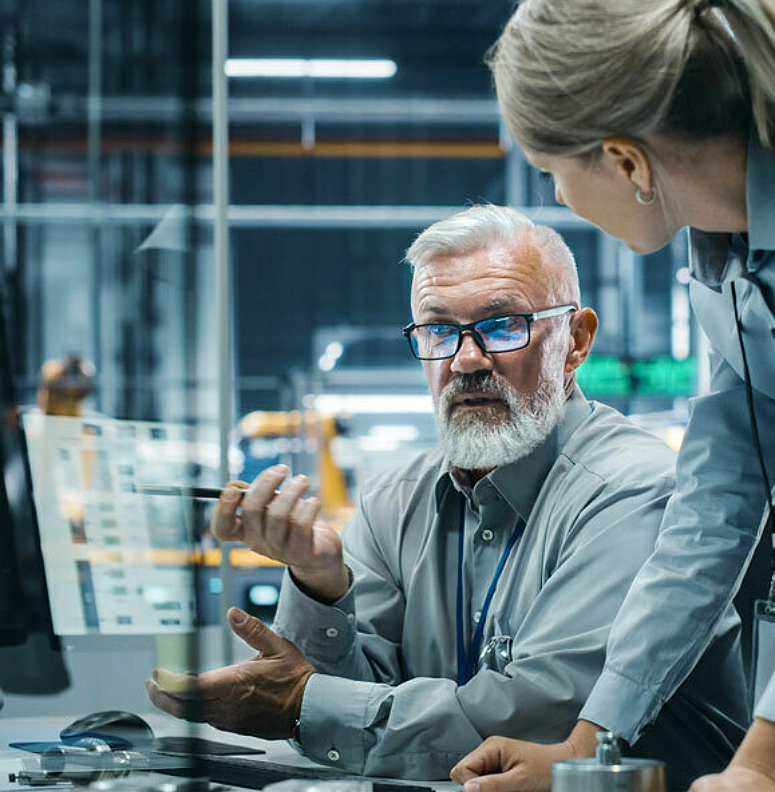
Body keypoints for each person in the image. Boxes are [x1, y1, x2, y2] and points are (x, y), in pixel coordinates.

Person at [146, 205, 747, 788]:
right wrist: (319, 584)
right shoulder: (394, 499)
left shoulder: (630, 491)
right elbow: (351, 699)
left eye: (502, 325)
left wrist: (298, 704)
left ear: (576, 341)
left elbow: (531, 723)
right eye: (438, 330)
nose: (465, 359)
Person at [449, 2, 775, 791]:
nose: (557, 199)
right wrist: (588, 743)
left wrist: (759, 761)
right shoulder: (724, 262)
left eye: (550, 171)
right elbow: (713, 509)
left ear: (628, 163)